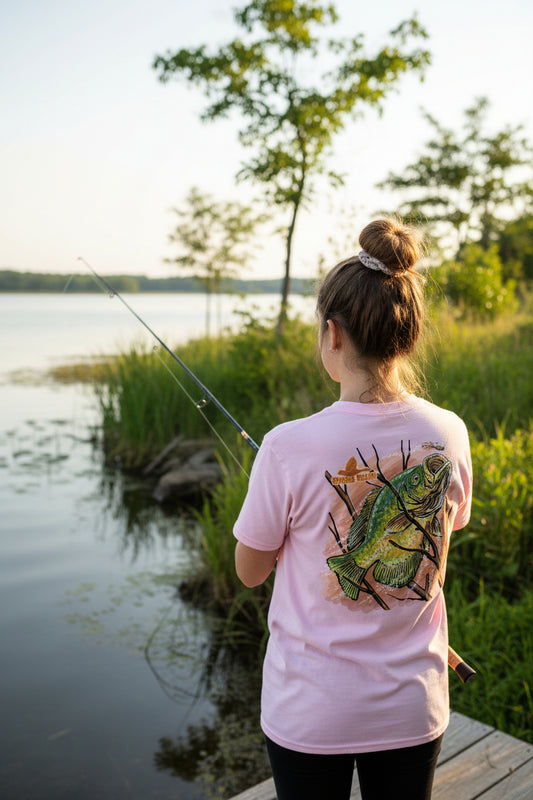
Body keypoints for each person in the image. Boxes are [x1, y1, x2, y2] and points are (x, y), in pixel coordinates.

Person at [233, 217, 472, 800]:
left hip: (310, 713)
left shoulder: (286, 445)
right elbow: (442, 535)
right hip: (414, 707)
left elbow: (248, 571)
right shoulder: (449, 432)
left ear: (332, 335)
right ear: (409, 335)